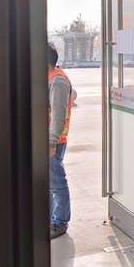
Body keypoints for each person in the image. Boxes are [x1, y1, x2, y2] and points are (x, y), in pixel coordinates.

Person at [48, 42, 73, 239]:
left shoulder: (58, 81)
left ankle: (60, 223)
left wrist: (51, 142)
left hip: (53, 141)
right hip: (47, 139)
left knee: (57, 184)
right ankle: (50, 219)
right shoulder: (50, 78)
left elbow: (58, 116)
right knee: (49, 183)